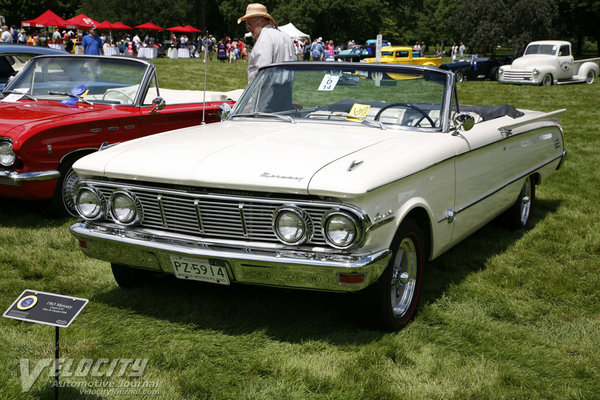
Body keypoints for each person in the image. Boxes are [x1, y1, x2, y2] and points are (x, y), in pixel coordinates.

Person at [237, 2, 294, 82]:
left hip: (269, 92)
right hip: (286, 89)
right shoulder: (286, 36)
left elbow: (263, 75)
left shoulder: (264, 38)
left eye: (249, 24)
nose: (248, 28)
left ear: (262, 21)